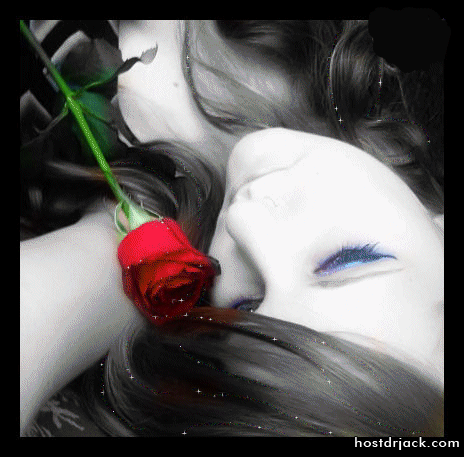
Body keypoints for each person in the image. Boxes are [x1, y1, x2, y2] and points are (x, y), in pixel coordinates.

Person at [20, 20, 444, 436]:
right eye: (343, 260)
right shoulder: (398, 58)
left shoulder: (150, 224)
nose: (245, 223)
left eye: (246, 307)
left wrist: (121, 261)